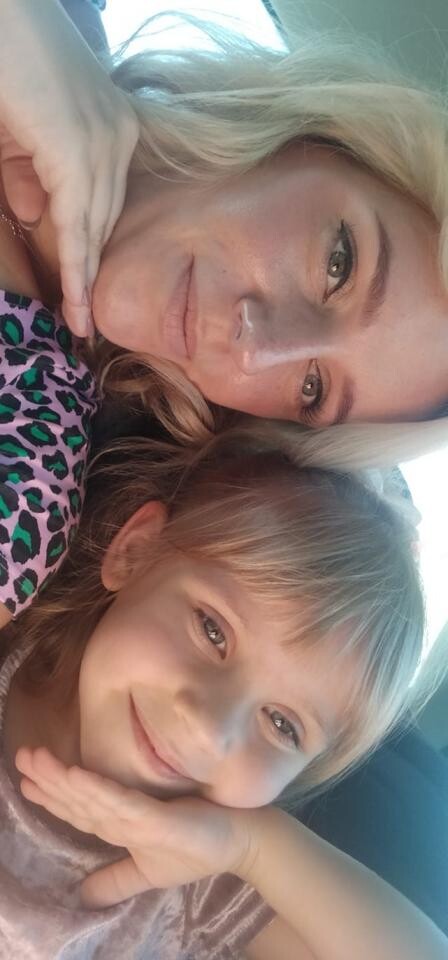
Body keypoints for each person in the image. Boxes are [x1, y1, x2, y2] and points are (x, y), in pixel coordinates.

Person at [0, 409, 445, 959]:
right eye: (213, 630)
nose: (210, 729)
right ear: (134, 554)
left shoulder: (205, 881)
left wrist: (254, 849)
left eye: (282, 725)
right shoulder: (11, 625)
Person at [2, 4, 448, 456]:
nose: (256, 348)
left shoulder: (31, 444)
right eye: (338, 265)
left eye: (312, 388)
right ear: (315, 141)